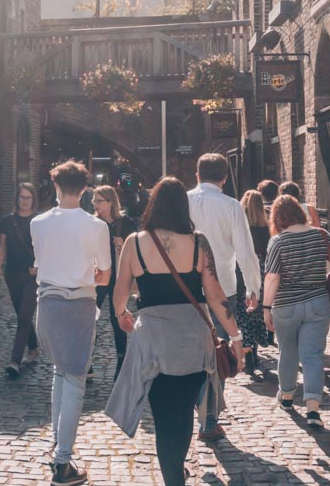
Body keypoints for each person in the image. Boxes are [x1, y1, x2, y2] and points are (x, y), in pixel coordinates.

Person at [106, 177, 245, 486]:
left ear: (153, 205)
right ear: (184, 207)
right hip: (194, 343)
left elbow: (120, 291)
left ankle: (172, 478)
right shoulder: (199, 243)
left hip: (154, 343)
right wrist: (235, 338)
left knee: (163, 416)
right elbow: (215, 294)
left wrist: (120, 314)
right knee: (183, 412)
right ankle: (176, 470)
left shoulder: (134, 243)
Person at [31, 161, 111, 486]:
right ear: (84, 190)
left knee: (60, 372)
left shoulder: (38, 223)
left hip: (47, 304)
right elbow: (104, 274)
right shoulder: (97, 226)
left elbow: (39, 264)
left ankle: (57, 447)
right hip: (79, 303)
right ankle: (63, 463)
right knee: (76, 379)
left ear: (55, 186)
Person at [186, 153, 261, 442]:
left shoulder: (183, 202)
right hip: (223, 289)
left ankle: (195, 407)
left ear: (197, 174)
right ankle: (209, 419)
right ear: (225, 177)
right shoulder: (231, 206)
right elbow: (245, 251)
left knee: (192, 353)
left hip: (187, 290)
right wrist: (254, 288)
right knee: (219, 355)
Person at [262, 195, 330, 429]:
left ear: (277, 218)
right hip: (318, 303)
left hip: (286, 305)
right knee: (313, 356)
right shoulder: (322, 235)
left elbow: (272, 277)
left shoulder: (278, 241)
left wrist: (266, 308)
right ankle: (313, 409)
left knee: (287, 351)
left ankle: (287, 396)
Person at [0, 182, 40, 378]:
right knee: (22, 314)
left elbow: (45, 248)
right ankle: (34, 348)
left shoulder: (38, 221)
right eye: (22, 197)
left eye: (28, 198)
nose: (25, 201)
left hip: (32, 276)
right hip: (12, 273)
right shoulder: (7, 221)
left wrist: (39, 265)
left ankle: (15, 361)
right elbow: (3, 247)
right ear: (16, 199)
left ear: (33, 200)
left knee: (24, 316)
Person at [91, 185, 137, 381]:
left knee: (117, 318)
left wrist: (124, 242)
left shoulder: (125, 222)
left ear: (111, 202)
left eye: (99, 200)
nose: (95, 204)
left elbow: (137, 245)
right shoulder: (92, 223)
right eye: (94, 200)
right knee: (90, 317)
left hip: (118, 277)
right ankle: (87, 362)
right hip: (99, 277)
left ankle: (121, 362)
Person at [237, 190, 271, 379]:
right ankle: (254, 353)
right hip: (263, 278)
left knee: (243, 316)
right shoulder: (267, 231)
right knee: (256, 315)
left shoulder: (240, 230)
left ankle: (248, 354)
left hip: (242, 277)